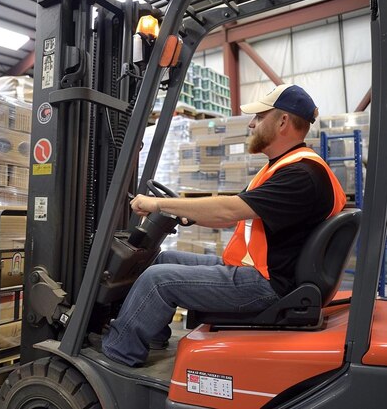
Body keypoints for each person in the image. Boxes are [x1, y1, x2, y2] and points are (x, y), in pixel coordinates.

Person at [100, 84, 347, 367]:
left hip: (268, 285)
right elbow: (233, 213)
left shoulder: (300, 174)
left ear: (282, 121)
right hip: (268, 271)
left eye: (259, 117)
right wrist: (189, 213)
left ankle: (119, 354)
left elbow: (230, 209)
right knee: (165, 258)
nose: (252, 124)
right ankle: (151, 336)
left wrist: (159, 205)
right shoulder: (284, 167)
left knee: (158, 280)